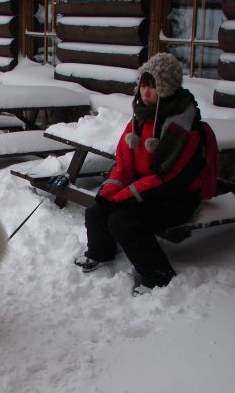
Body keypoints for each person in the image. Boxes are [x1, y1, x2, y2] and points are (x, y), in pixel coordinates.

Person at [74, 52, 209, 295]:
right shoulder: (138, 120)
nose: (146, 92)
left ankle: (158, 274)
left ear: (167, 88)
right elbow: (124, 166)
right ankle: (101, 253)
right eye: (143, 85)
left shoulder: (183, 127)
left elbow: (169, 177)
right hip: (146, 189)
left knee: (123, 221)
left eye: (153, 86)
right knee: (97, 211)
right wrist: (109, 193)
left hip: (177, 195)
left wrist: (123, 197)